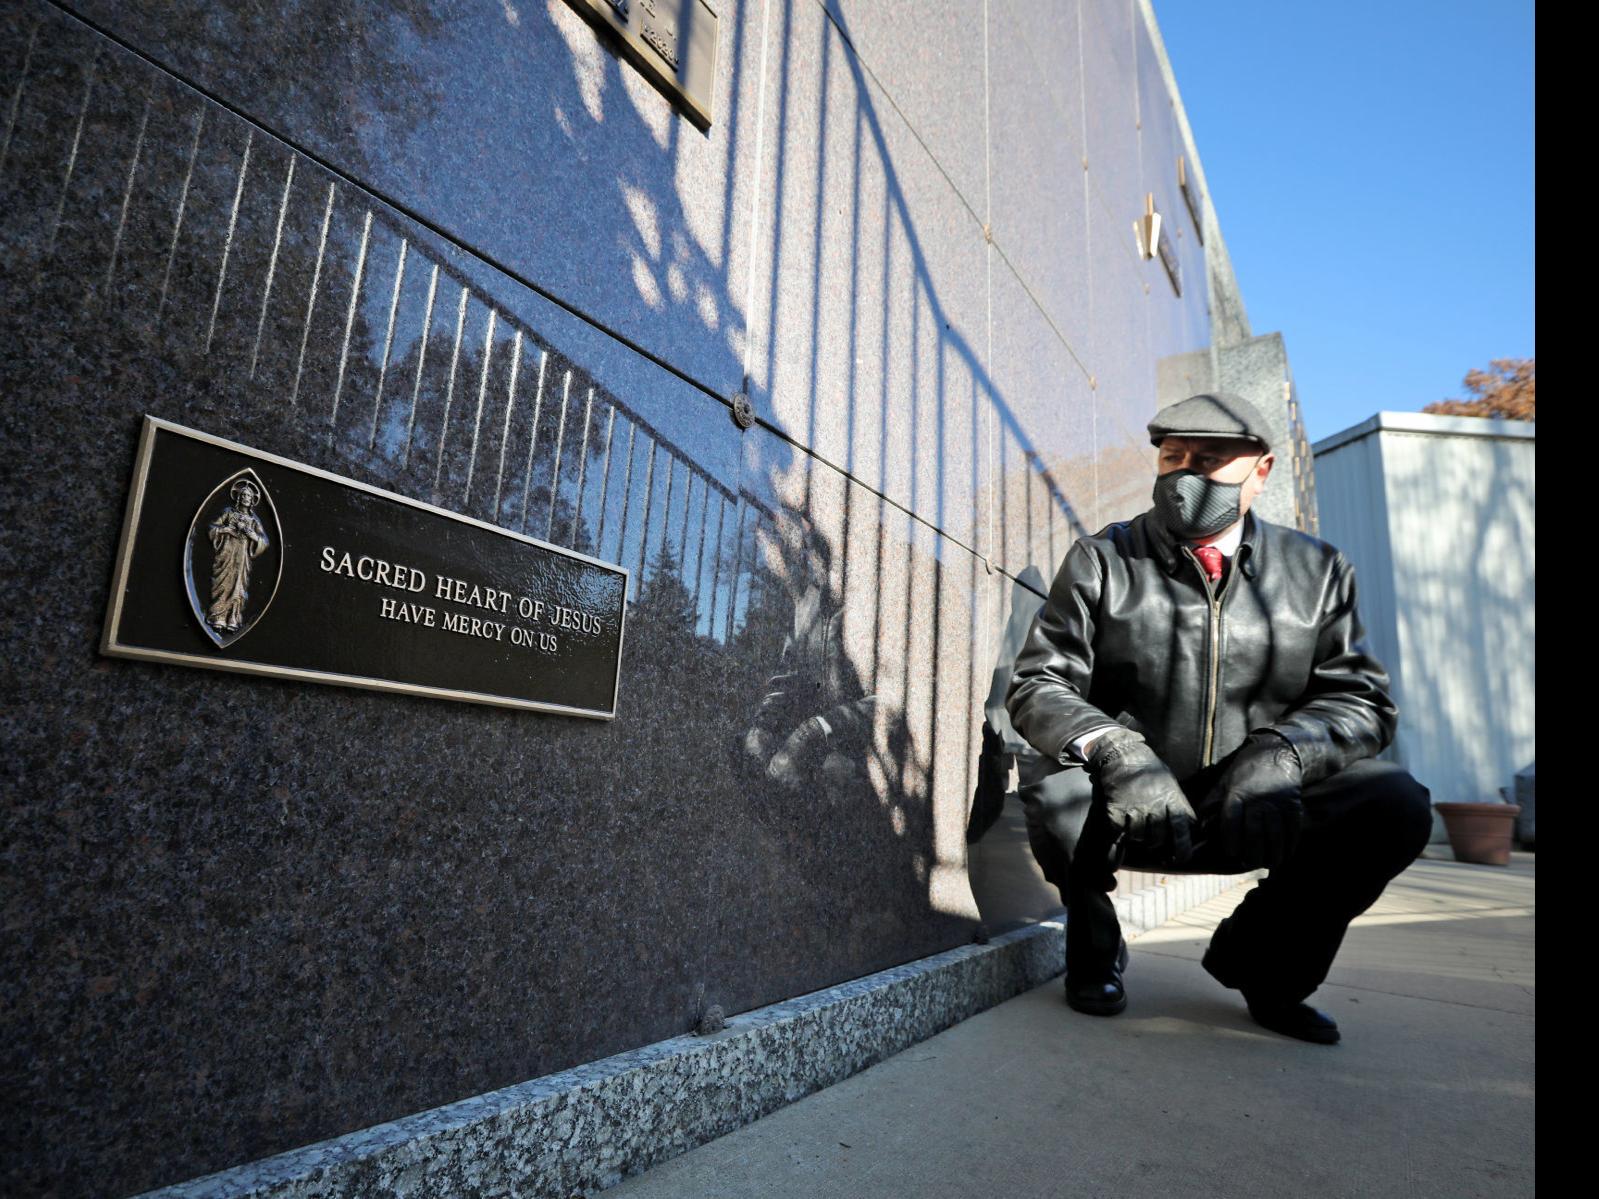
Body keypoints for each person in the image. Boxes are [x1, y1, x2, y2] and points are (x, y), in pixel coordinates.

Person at [1004, 392, 1432, 1044]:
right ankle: (1094, 946)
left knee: (1392, 803)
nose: (1184, 476)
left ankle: (1263, 965)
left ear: (1261, 471)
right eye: (1172, 458)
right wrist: (1116, 750)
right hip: (1128, 803)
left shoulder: (1317, 570)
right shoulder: (1103, 558)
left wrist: (1282, 752)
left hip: (1252, 806)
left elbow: (1362, 699)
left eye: (1207, 461)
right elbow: (1039, 682)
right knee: (1053, 780)